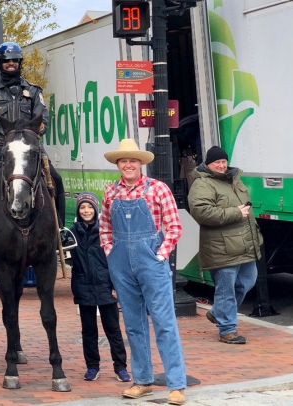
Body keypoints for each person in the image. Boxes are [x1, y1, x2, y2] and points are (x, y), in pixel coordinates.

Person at [99, 139, 185, 405]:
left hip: (152, 263)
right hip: (121, 263)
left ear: (140, 163)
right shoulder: (110, 192)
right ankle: (142, 381)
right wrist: (110, 252)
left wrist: (160, 255)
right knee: (134, 326)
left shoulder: (158, 189)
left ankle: (176, 385)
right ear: (118, 164)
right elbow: (104, 226)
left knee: (164, 324)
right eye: (123, 161)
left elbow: (174, 227)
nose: (128, 165)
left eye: (132, 161)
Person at [0, 41, 65, 253]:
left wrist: (29, 138)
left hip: (28, 151)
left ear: (20, 62)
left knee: (56, 180)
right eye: (6, 60)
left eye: (14, 60)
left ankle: (61, 231)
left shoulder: (34, 93)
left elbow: (42, 122)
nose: (11, 63)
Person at [187, 146, 262, 345]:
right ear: (208, 164)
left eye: (223, 161)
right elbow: (201, 212)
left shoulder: (234, 180)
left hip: (243, 245)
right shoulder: (202, 184)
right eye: (216, 162)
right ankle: (227, 329)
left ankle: (218, 312)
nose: (221, 165)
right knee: (225, 289)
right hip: (221, 247)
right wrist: (235, 213)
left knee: (248, 281)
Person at [69, 191, 129, 383]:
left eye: (89, 207)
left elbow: (116, 260)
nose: (86, 211)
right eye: (82, 207)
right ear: (78, 211)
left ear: (96, 209)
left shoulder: (106, 232)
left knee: (113, 329)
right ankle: (92, 366)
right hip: (83, 286)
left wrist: (115, 285)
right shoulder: (71, 234)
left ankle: (120, 367)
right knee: (88, 330)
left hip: (106, 286)